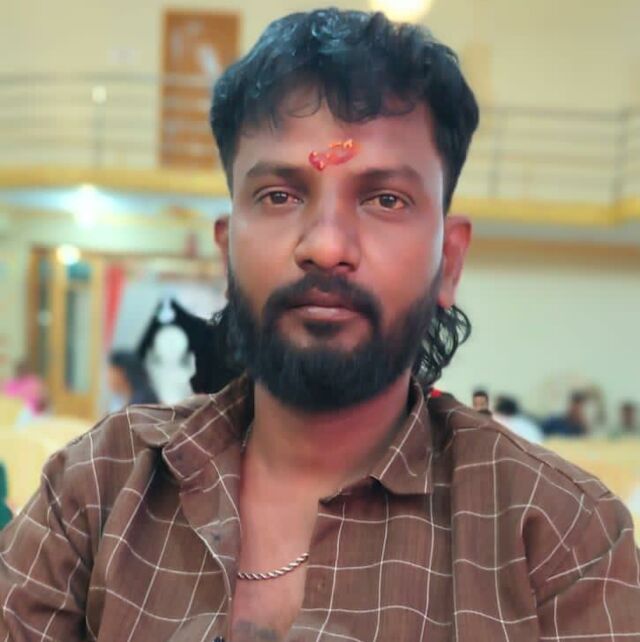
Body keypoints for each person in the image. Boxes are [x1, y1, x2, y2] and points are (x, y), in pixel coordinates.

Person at [0, 9, 638, 641]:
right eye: (279, 195)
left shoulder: (557, 538)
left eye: (385, 199)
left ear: (450, 261)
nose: (327, 246)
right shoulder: (97, 488)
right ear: (226, 251)